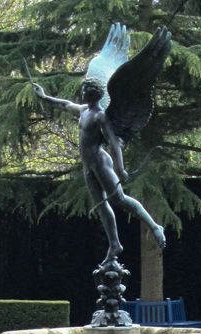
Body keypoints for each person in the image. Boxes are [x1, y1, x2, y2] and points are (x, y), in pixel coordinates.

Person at [33, 78, 166, 266]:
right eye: (84, 87)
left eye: (87, 88)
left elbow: (113, 142)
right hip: (89, 167)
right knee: (103, 207)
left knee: (119, 199)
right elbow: (64, 104)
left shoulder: (99, 116)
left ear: (95, 93)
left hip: (100, 162)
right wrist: (44, 96)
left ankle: (154, 226)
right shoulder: (83, 110)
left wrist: (120, 169)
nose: (83, 90)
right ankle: (115, 244)